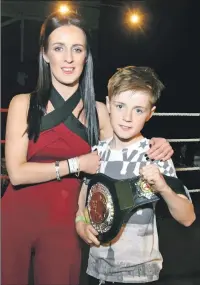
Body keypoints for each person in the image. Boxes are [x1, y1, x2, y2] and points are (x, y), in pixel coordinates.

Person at [1, 10, 173, 285]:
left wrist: (158, 144)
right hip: (14, 220)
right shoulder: (23, 103)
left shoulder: (99, 111)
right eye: (59, 48)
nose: (68, 58)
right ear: (45, 54)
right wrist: (77, 164)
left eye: (77, 49)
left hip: (67, 223)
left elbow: (127, 144)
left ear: (86, 56)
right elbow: (17, 173)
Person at [76, 66, 196, 285]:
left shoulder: (155, 155)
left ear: (150, 113)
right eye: (120, 106)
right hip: (96, 271)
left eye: (138, 110)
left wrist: (163, 187)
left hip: (139, 275)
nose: (127, 117)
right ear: (108, 104)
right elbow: (85, 195)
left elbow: (188, 218)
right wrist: (80, 221)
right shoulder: (96, 154)